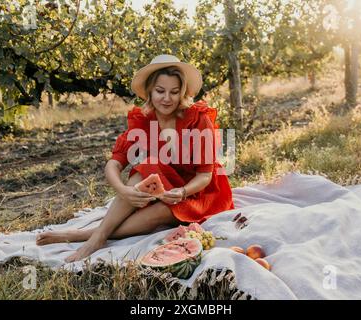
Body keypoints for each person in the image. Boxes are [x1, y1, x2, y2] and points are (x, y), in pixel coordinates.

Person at [36, 54, 234, 262]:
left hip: (202, 192)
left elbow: (205, 175)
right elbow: (114, 163)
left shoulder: (197, 119)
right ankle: (99, 236)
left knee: (161, 210)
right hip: (169, 183)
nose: (167, 98)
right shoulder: (143, 120)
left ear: (182, 93)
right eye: (160, 91)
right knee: (147, 166)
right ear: (149, 91)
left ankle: (88, 235)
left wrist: (183, 191)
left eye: (174, 92)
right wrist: (124, 191)